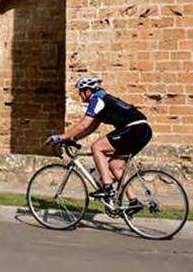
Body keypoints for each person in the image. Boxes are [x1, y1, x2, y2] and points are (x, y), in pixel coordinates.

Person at [48, 76, 152, 215]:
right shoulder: (103, 100)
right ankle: (134, 202)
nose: (80, 95)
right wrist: (74, 138)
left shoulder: (97, 99)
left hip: (133, 129)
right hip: (143, 130)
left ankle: (107, 187)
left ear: (88, 90)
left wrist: (61, 137)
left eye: (81, 91)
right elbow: (91, 127)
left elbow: (83, 124)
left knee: (97, 147)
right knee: (115, 166)